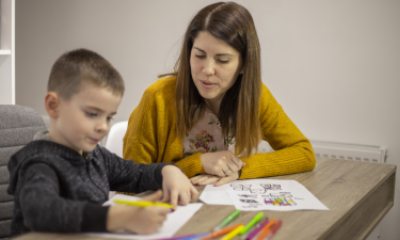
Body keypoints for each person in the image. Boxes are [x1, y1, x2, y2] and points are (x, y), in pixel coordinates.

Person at [7, 49, 198, 236]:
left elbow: (135, 174)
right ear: (53, 105)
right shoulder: (39, 163)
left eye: (109, 117)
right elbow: (42, 213)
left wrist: (167, 171)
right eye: (92, 114)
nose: (103, 127)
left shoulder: (94, 155)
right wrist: (117, 217)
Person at [123, 2, 315, 186]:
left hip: (223, 210)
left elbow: (304, 153)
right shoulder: (157, 98)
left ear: (244, 65)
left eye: (222, 60)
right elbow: (129, 180)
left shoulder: (254, 95)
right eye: (199, 55)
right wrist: (198, 163)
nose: (207, 70)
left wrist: (239, 168)